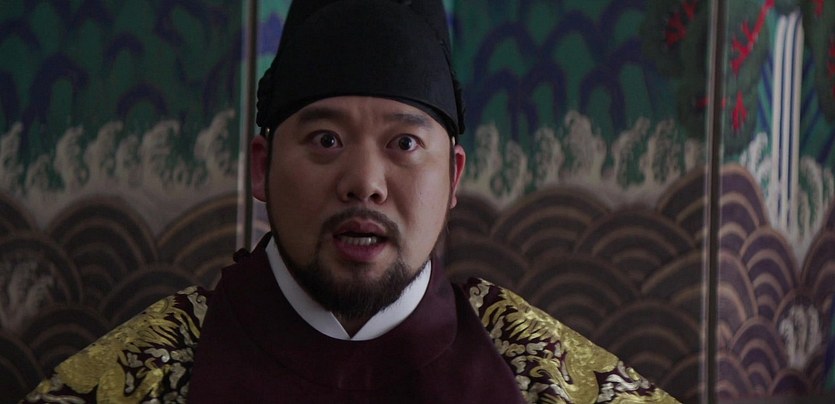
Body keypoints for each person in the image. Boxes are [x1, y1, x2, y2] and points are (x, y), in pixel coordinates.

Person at [22, 0, 679, 402]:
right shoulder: (145, 374)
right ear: (262, 166)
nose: (364, 182)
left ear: (453, 179)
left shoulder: (541, 376)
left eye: (403, 143)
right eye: (326, 140)